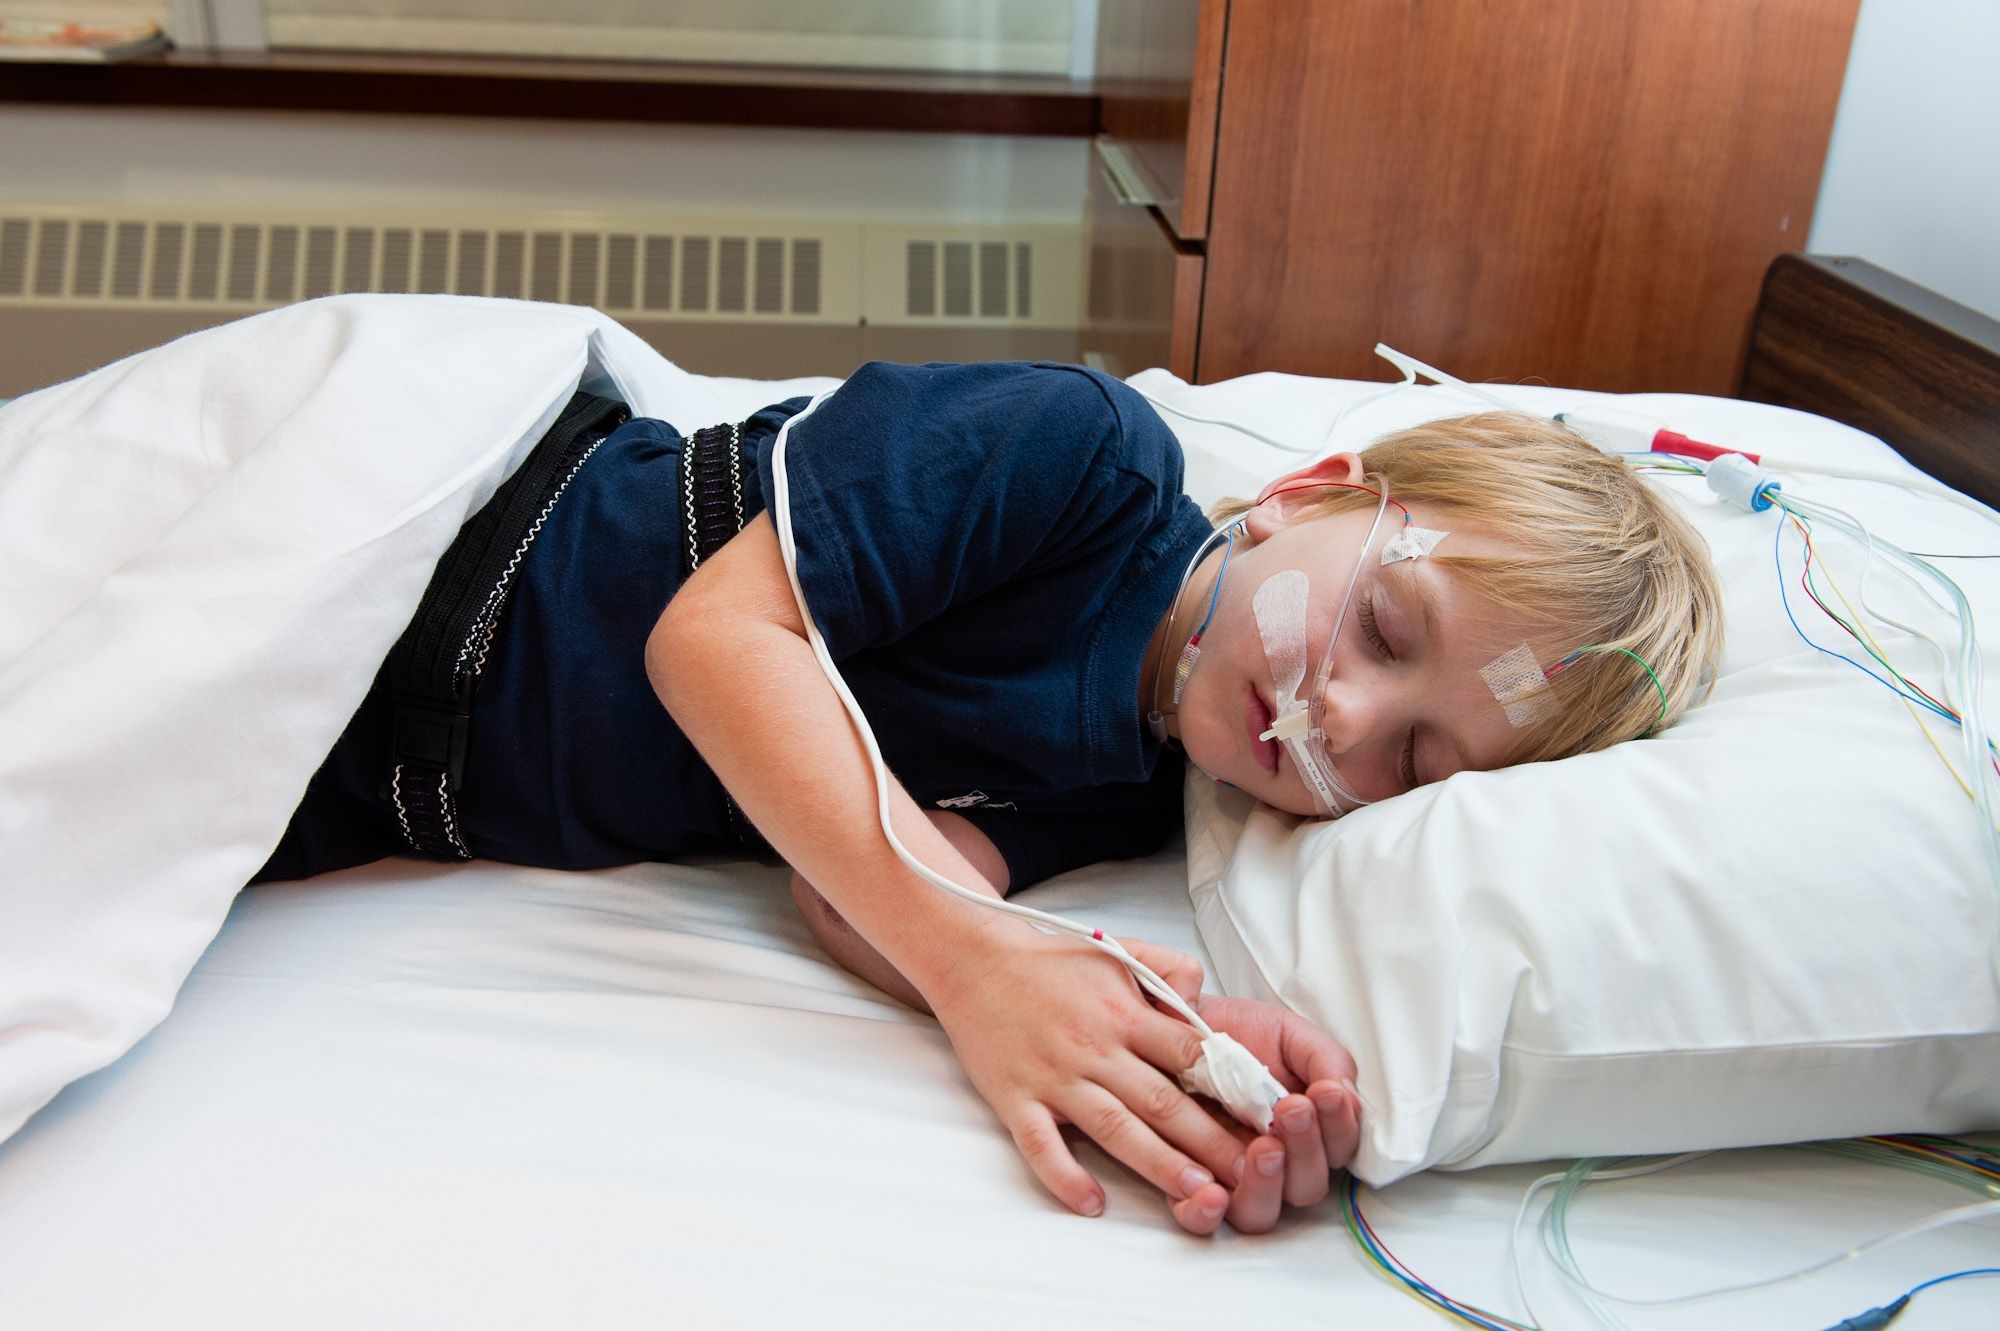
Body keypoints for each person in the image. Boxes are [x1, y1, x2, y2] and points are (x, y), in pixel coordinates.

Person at [258, 360, 1723, 1235]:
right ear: (1313, 491)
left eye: (1412, 762)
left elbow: (863, 887)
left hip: (375, 787)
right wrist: (975, 964)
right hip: (422, 565)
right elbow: (716, 641)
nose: (1340, 714)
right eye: (1389, 632)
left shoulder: (1127, 793)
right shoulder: (1080, 460)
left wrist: (1148, 1022)